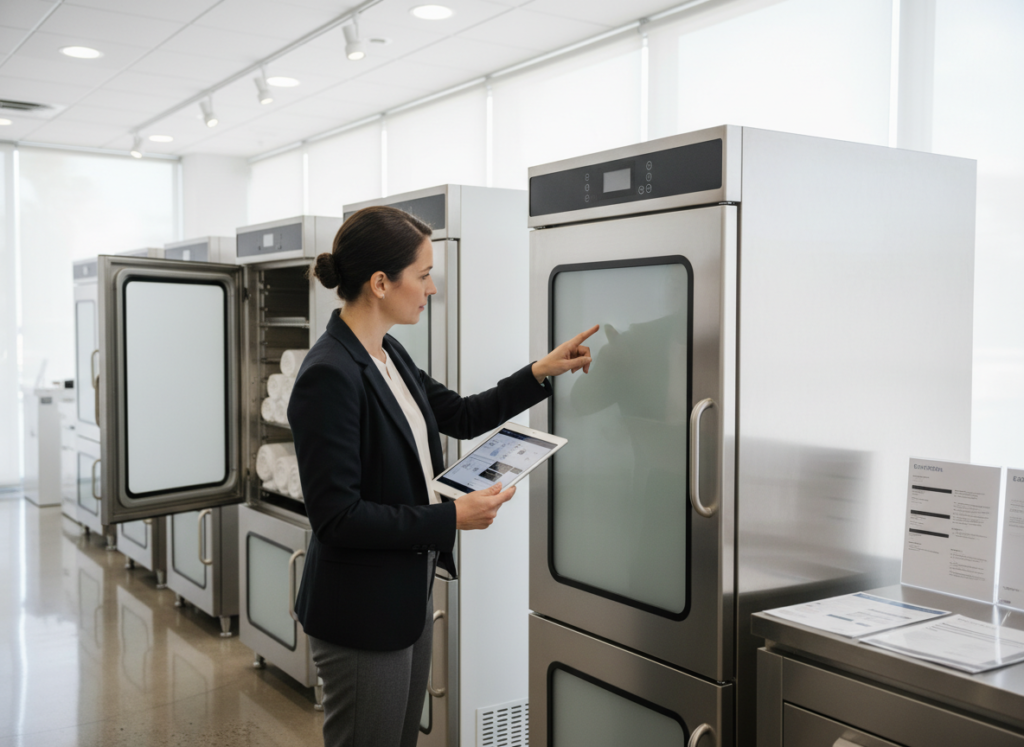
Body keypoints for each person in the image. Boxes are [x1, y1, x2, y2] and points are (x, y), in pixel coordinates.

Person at [288, 205, 597, 747]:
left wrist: (540, 372)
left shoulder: (386, 352)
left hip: (404, 599)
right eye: (424, 274)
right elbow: (337, 518)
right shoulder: (329, 374)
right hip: (361, 614)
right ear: (380, 283)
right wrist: (450, 517)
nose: (432, 288)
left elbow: (461, 414)